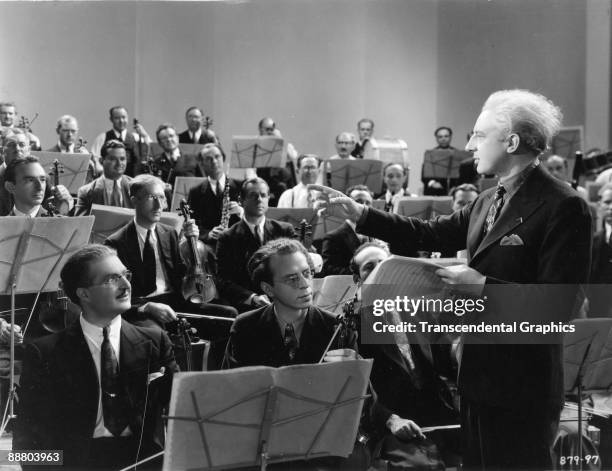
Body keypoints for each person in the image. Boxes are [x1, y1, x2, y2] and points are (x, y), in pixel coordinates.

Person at [311, 89, 592, 469]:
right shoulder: (486, 199)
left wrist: (481, 287)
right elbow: (429, 233)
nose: (469, 144)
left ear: (510, 142)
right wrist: (363, 214)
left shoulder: (565, 205)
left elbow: (559, 308)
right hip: (477, 380)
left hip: (523, 387)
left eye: (478, 134)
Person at [14, 244, 178, 470]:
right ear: (84, 293)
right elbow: (25, 440)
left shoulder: (155, 341)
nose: (126, 285)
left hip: (144, 461)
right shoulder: (45, 353)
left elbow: (183, 409)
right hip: (75, 463)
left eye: (125, 275)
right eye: (112, 279)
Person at [350, 241, 460, 466]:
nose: (379, 271)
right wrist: (390, 420)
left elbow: (448, 363)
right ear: (357, 280)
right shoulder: (353, 323)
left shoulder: (419, 310)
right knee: (423, 466)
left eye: (384, 264)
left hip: (437, 412)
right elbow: (356, 390)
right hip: (392, 420)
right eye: (370, 267)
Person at [104, 174, 237, 327]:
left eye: (161, 198)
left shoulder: (170, 233)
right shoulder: (117, 242)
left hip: (174, 302)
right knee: (157, 333)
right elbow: (114, 294)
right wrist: (144, 308)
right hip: (144, 307)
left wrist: (192, 243)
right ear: (134, 201)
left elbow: (182, 277)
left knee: (230, 315)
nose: (158, 206)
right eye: (151, 198)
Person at [216, 178, 296, 312]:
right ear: (241, 200)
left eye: (263, 195)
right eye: (253, 195)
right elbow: (223, 281)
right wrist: (252, 298)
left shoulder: (285, 230)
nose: (259, 199)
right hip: (248, 307)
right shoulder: (227, 237)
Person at [0, 129, 73, 216]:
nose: (17, 149)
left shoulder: (43, 178)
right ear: (2, 151)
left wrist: (65, 203)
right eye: (11, 145)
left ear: (28, 150)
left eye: (22, 145)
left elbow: (50, 210)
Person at [187, 143, 243, 246]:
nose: (214, 162)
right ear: (202, 164)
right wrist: (208, 234)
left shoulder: (241, 186)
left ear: (223, 158)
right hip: (210, 247)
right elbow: (193, 224)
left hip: (237, 244)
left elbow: (255, 218)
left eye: (217, 156)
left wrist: (241, 212)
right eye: (208, 159)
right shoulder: (195, 192)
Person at [321, 185, 374, 276]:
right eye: (358, 201)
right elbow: (328, 270)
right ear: (345, 205)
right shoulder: (333, 237)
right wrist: (363, 274)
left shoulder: (377, 233)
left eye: (368, 203)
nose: (364, 206)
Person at [75, 140, 133, 215]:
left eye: (122, 159)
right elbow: (81, 224)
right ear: (101, 161)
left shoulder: (137, 187)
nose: (119, 164)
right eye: (113, 159)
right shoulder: (86, 192)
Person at [90, 106, 152, 177]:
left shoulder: (135, 137)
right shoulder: (103, 137)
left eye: (124, 117)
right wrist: (101, 170)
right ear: (111, 119)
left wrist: (145, 135)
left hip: (132, 179)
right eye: (117, 118)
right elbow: (95, 157)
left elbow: (150, 151)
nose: (121, 121)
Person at [586, 183, 612, 317]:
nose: (611, 207)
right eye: (607, 202)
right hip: (598, 309)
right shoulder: (593, 240)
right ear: (600, 205)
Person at [151, 123, 202, 191]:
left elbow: (203, 182)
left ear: (177, 138)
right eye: (164, 138)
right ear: (159, 143)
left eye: (171, 136)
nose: (169, 140)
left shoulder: (193, 159)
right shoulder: (156, 163)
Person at [422, 126, 458, 196]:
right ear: (436, 138)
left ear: (450, 137)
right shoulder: (430, 154)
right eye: (440, 137)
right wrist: (432, 183)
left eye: (446, 136)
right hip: (435, 190)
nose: (443, 139)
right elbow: (424, 176)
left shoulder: (457, 154)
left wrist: (456, 186)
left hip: (454, 189)